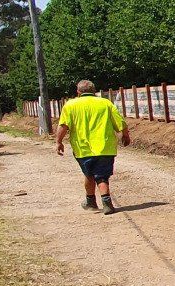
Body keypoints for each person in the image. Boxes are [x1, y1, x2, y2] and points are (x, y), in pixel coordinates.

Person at [54, 79, 131, 213]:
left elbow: (63, 126)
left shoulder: (70, 105)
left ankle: (90, 201)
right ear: (94, 91)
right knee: (102, 176)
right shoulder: (105, 103)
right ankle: (106, 203)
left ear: (78, 92)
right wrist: (125, 135)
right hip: (105, 147)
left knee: (88, 174)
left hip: (82, 148)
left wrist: (58, 142)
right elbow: (121, 123)